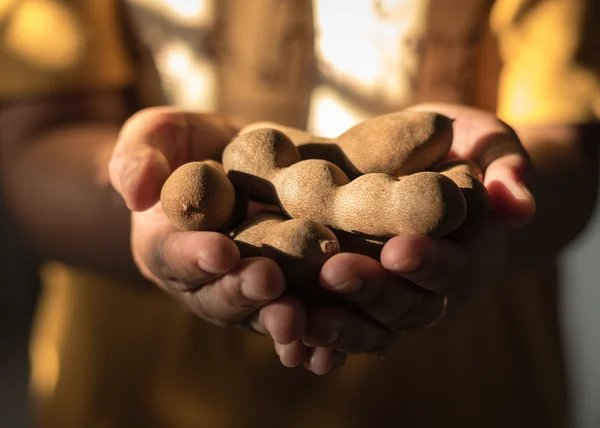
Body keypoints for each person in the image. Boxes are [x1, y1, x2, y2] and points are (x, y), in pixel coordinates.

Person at [0, 0, 598, 427]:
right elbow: (32, 146)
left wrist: (498, 216)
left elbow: (571, 150)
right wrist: (135, 210)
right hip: (128, 394)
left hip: (472, 394)